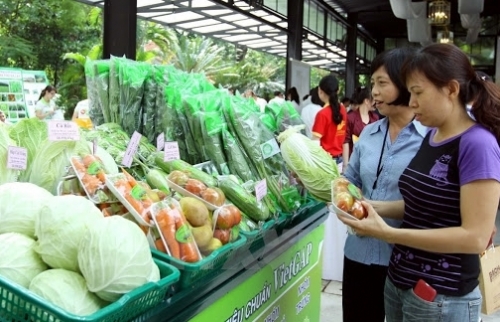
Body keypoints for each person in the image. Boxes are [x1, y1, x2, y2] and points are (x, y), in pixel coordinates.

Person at [339, 44, 500, 322]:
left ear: (451, 89)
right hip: (403, 284)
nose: (412, 103)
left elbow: (474, 237)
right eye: (410, 92)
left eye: (418, 93)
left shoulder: (477, 144)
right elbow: (420, 205)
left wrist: (389, 234)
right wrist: (372, 206)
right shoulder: (434, 137)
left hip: (440, 295)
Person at [340, 47, 426, 322]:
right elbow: (350, 179)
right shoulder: (369, 133)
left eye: (381, 83)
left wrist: (371, 206)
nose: (373, 92)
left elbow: (429, 205)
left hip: (403, 259)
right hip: (358, 254)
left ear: (405, 84)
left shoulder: (430, 139)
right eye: (372, 83)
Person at [312, 75, 347, 164]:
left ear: (320, 91)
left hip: (325, 162)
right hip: (340, 160)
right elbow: (344, 139)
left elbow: (315, 143)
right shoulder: (343, 109)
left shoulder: (322, 114)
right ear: (338, 91)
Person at [342, 86, 379, 167]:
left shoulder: (375, 118)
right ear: (366, 101)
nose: (376, 102)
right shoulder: (350, 118)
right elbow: (346, 142)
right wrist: (346, 165)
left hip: (371, 162)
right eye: (373, 99)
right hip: (354, 161)